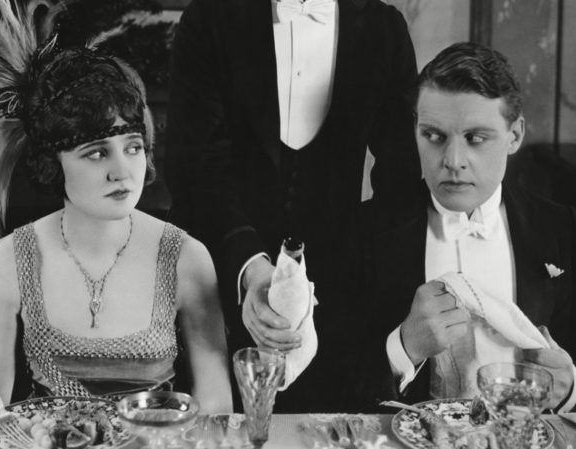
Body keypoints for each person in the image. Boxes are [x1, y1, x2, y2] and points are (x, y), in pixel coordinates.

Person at [0, 0, 232, 414]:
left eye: (132, 147)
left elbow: (216, 405)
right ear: (51, 163)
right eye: (96, 153)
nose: (122, 172)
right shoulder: (9, 261)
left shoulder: (186, 257)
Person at [164, 0, 420, 411]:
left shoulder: (383, 28)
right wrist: (248, 267)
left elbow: (401, 180)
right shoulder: (210, 18)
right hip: (221, 290)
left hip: (342, 308)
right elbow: (195, 167)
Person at [362, 42, 576, 412]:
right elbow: (324, 377)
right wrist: (403, 348)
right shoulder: (367, 230)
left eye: (475, 138)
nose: (452, 161)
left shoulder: (559, 229)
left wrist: (571, 386)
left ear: (514, 136)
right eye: (434, 136)